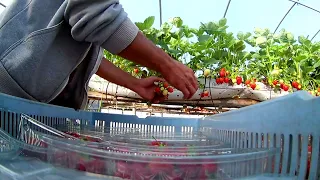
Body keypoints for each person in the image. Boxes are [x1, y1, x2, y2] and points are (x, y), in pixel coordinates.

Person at [0, 0, 198, 110]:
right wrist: (167, 64)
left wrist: (134, 83)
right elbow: (98, 13)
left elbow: (87, 51)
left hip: (31, 104)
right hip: (11, 98)